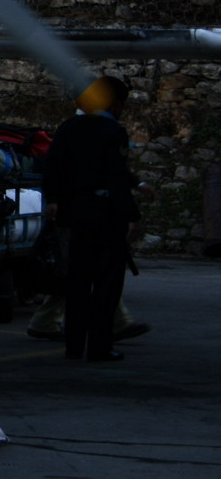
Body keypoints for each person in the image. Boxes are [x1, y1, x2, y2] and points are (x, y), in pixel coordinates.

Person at [42, 75, 150, 362]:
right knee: (107, 282)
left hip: (76, 212)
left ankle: (73, 345)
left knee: (77, 281)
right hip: (106, 213)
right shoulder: (112, 131)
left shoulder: (68, 129)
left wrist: (53, 199)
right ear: (113, 103)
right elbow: (115, 174)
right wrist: (131, 215)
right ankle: (100, 346)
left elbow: (53, 167)